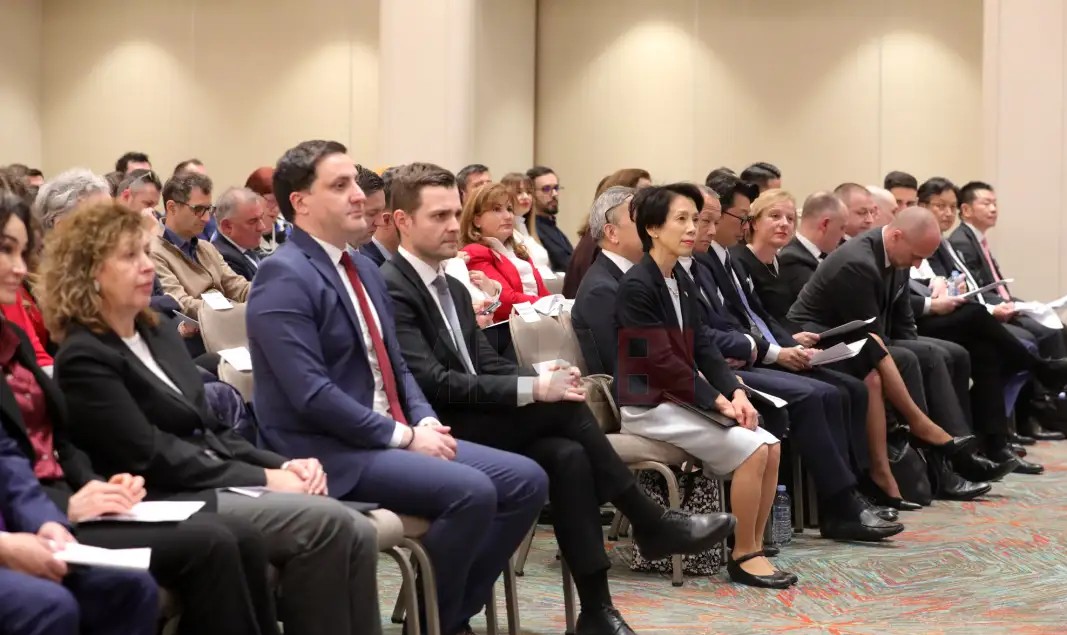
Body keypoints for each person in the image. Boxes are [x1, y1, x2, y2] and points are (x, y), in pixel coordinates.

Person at [382, 163, 732, 633]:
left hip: (477, 414)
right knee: (565, 408)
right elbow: (432, 383)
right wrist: (532, 389)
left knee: (568, 456)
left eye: (454, 213)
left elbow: (488, 364)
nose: (452, 225)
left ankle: (597, 610)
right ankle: (649, 522)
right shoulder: (392, 287)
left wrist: (538, 376)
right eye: (438, 216)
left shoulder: (452, 287)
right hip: (436, 425)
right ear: (402, 221)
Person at [246, 142, 548, 635]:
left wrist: (423, 418)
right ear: (300, 202)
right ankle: (437, 622)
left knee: (526, 480)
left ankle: (444, 617)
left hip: (387, 436)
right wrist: (404, 436)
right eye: (339, 185)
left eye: (355, 183)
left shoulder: (363, 267)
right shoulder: (283, 275)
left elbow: (396, 366)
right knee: (471, 491)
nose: (358, 196)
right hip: (327, 451)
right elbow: (311, 395)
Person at [43, 201, 382, 635]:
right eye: (130, 256)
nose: (147, 266)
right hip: (163, 495)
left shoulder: (156, 331)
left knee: (359, 530)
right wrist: (265, 479)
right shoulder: (84, 355)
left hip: (211, 479)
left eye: (146, 252)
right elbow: (152, 455)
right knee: (330, 525)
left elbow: (211, 428)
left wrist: (281, 464)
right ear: (88, 273)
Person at [0, 193, 281, 635]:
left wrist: (91, 484)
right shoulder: (82, 352)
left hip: (72, 496)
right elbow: (143, 449)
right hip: (73, 502)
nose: (19, 267)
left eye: (21, 252)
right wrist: (63, 507)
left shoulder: (13, 339)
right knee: (216, 541)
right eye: (6, 250)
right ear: (92, 272)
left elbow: (57, 444)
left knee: (237, 537)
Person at [613, 182, 801, 589]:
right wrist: (717, 400)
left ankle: (754, 546)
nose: (692, 229)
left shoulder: (680, 278)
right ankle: (743, 555)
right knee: (753, 449)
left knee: (771, 444)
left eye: (694, 219)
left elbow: (704, 348)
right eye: (681, 219)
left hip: (681, 398)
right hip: (648, 405)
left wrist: (735, 392)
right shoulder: (637, 285)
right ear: (652, 228)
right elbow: (659, 363)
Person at [787, 208, 1019, 490]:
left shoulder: (898, 253)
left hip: (866, 338)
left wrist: (917, 344)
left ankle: (960, 453)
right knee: (913, 357)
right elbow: (869, 333)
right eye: (917, 256)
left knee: (947, 352)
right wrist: (917, 350)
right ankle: (942, 465)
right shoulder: (858, 262)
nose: (918, 263)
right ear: (897, 236)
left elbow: (903, 320)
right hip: (825, 341)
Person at [152, 172, 251, 317]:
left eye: (208, 209)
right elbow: (180, 304)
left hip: (224, 321)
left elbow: (238, 286)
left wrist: (267, 292)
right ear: (172, 207)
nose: (206, 218)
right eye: (198, 210)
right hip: (199, 328)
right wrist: (233, 311)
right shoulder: (154, 252)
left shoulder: (206, 247)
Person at [461, 182, 551, 322]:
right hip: (510, 328)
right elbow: (506, 301)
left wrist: (556, 304)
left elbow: (543, 292)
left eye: (509, 209)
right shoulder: (475, 252)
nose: (508, 216)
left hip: (537, 320)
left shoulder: (518, 250)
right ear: (477, 220)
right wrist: (547, 305)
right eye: (497, 209)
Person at [564, 169, 652, 298]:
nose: (649, 227)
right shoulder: (602, 290)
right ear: (612, 233)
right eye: (639, 220)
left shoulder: (629, 273)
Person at [211, 188, 268, 282]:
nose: (262, 227)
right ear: (227, 226)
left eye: (261, 218)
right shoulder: (225, 259)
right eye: (253, 221)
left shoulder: (244, 246)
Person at [502, 171, 551, 271]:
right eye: (519, 192)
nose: (525, 196)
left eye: (529, 192)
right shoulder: (505, 233)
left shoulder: (528, 229)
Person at [527, 165, 573, 271]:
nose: (554, 194)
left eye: (556, 188)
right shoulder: (532, 229)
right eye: (546, 189)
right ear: (531, 193)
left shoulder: (551, 224)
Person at [245, 167, 289, 253]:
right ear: (251, 197)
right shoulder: (238, 235)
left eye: (280, 202)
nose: (277, 209)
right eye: (271, 201)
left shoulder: (287, 231)